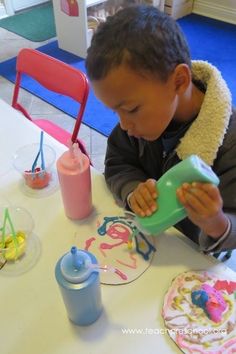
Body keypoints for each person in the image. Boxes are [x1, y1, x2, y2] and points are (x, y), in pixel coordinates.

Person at [85, 5, 236, 253]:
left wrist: (216, 222)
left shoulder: (229, 142)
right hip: (148, 245)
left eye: (131, 109)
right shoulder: (140, 121)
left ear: (178, 81)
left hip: (193, 261)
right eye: (116, 112)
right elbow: (118, 162)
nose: (124, 125)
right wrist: (133, 191)